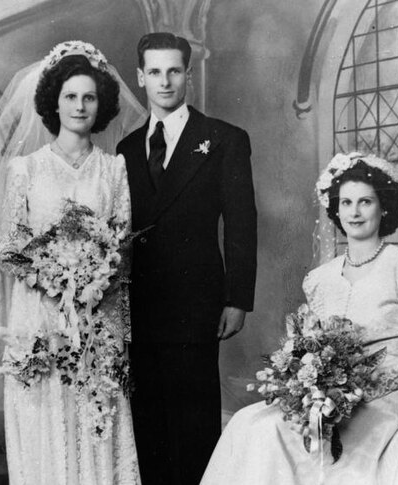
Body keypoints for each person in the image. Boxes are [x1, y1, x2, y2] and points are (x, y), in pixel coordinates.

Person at [200, 153, 398, 485]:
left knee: (343, 465)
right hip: (324, 401)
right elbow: (309, 346)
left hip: (385, 401)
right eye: (346, 203)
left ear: (383, 207)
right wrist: (306, 385)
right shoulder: (319, 279)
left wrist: (362, 387)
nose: (354, 212)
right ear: (336, 209)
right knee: (250, 423)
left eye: (365, 202)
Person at [0, 42, 146, 484]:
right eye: (71, 96)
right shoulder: (26, 169)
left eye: (89, 97)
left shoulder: (114, 169)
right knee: (46, 415)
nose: (80, 106)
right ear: (54, 101)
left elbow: (123, 244)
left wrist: (96, 277)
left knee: (95, 418)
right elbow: (7, 246)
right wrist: (53, 278)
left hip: (99, 316)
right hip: (41, 315)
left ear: (102, 104)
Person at [115, 32, 258, 485]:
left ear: (188, 76)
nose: (164, 81)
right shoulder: (126, 151)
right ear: (140, 78)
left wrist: (238, 299)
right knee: (148, 421)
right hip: (139, 307)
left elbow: (241, 223)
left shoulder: (223, 139)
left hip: (196, 303)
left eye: (174, 70)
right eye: (154, 72)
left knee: (194, 421)